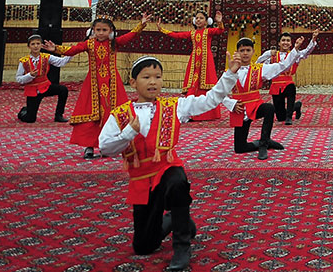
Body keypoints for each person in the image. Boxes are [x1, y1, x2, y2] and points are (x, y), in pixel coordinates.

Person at [98, 55, 242, 271]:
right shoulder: (119, 115)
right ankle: (175, 219)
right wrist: (129, 132)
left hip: (166, 167)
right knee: (144, 246)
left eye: (157, 76)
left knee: (177, 183)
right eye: (146, 77)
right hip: (140, 180)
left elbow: (210, 100)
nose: (153, 82)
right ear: (133, 82)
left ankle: (182, 247)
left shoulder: (175, 106)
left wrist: (229, 74)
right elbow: (105, 148)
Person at [44, 13, 151, 158]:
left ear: (111, 31)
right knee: (92, 115)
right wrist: (55, 48)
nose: (101, 33)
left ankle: (111, 146)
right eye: (98, 30)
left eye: (104, 30)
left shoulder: (114, 43)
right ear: (93, 30)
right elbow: (73, 50)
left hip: (112, 84)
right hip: (93, 84)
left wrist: (141, 24)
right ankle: (89, 146)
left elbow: (130, 36)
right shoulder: (89, 44)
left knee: (114, 114)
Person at [227, 35, 313, 160]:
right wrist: (231, 104)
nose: (245, 53)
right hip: (239, 108)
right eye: (242, 50)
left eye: (248, 50)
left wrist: (295, 49)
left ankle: (263, 143)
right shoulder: (230, 71)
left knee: (269, 109)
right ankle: (265, 142)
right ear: (237, 53)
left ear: (253, 52)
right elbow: (219, 93)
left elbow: (282, 65)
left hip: (255, 105)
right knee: (239, 148)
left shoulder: (260, 69)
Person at [158, 10, 225, 121]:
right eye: (197, 18)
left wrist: (219, 22)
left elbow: (220, 31)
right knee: (193, 83)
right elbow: (177, 35)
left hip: (206, 61)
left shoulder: (208, 32)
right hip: (194, 61)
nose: (198, 20)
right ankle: (191, 112)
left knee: (206, 84)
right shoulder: (192, 33)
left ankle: (208, 114)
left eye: (201, 18)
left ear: (206, 21)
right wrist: (162, 30)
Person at [256, 32, 318, 126]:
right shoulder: (272, 55)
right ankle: (296, 106)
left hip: (288, 83)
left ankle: (289, 117)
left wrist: (313, 40)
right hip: (276, 86)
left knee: (291, 88)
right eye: (283, 40)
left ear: (291, 43)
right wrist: (268, 53)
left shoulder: (295, 54)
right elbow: (259, 63)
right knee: (280, 117)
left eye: (288, 40)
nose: (285, 43)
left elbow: (306, 51)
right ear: (279, 43)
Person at [15, 34, 72, 123]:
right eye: (33, 44)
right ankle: (23, 112)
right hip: (32, 90)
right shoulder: (24, 61)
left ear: (41, 45)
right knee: (30, 119)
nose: (36, 46)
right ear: (28, 46)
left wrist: (71, 53)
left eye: (38, 43)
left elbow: (61, 62)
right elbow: (19, 79)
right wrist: (30, 75)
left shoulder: (46, 57)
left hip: (45, 86)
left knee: (63, 90)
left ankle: (59, 115)